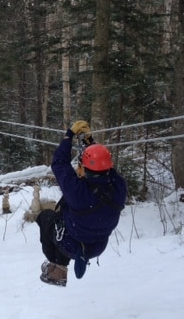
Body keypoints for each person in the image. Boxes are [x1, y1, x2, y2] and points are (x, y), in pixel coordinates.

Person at [36, 120, 127, 286]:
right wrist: (90, 144)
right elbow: (105, 166)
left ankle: (57, 268)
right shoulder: (119, 187)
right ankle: (69, 258)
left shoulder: (78, 191)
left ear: (85, 169)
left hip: (72, 242)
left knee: (46, 218)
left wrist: (68, 136)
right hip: (98, 245)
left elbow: (59, 163)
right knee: (70, 221)